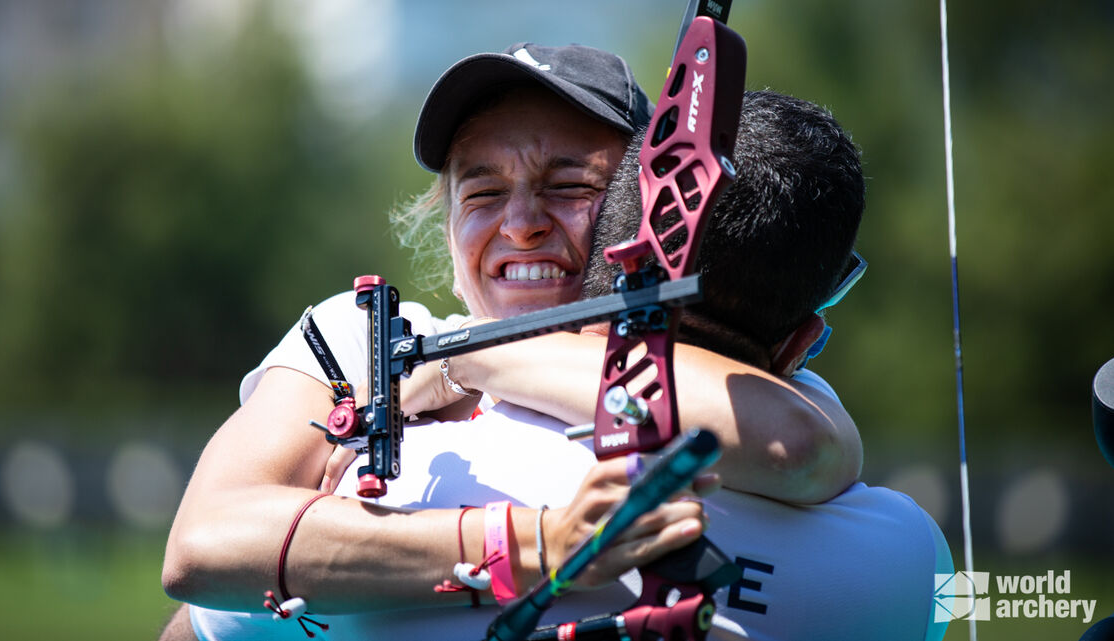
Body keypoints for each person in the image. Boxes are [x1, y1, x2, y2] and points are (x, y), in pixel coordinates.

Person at [186, 90, 952, 641]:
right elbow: (203, 559)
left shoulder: (431, 371)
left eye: (569, 185)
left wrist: (466, 362)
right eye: (480, 191)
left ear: (651, 222)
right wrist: (536, 543)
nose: (521, 224)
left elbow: (801, 441)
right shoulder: (373, 338)